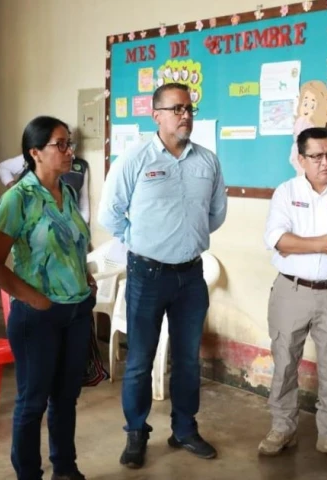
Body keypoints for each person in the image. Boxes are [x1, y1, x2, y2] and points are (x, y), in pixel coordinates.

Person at [99, 82, 228, 468]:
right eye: (176, 109)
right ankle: (136, 433)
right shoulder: (135, 158)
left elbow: (216, 214)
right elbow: (110, 215)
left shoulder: (207, 160)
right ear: (156, 115)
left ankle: (185, 429)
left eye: (189, 109)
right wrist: (141, 241)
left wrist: (185, 238)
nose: (185, 115)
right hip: (147, 275)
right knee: (139, 359)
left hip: (191, 276)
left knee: (188, 359)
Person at [0, 116, 95, 480]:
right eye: (60, 145)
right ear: (35, 152)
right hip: (39, 317)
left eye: (70, 144)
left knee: (66, 398)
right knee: (32, 403)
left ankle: (66, 468)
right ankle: (29, 474)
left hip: (77, 311)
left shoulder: (68, 190)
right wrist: (34, 299)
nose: (69, 152)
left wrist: (86, 277)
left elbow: (73, 245)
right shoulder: (18, 198)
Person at [259, 127, 327, 465]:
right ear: (301, 159)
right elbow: (277, 239)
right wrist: (322, 243)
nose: (325, 162)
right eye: (317, 156)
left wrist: (300, 242)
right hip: (291, 291)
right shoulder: (286, 192)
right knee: (285, 362)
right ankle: (282, 428)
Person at [0, 127, 91, 222]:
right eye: (61, 144)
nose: (68, 149)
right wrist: (14, 188)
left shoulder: (81, 167)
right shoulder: (34, 157)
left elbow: (83, 205)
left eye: (70, 144)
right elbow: (1, 168)